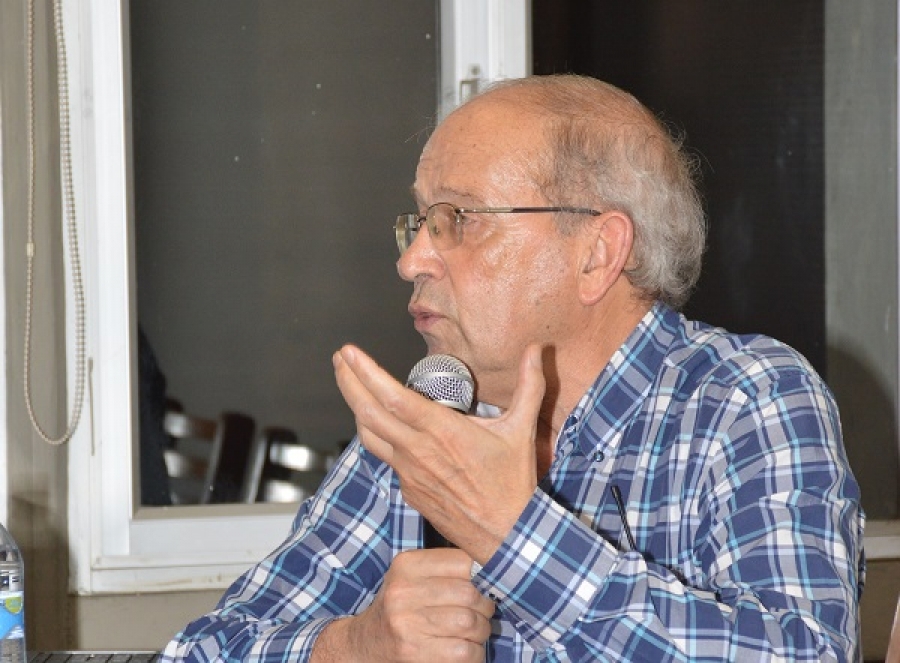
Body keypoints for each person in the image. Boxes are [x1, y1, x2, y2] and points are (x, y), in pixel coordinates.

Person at [161, 74, 865, 662]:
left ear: (596, 253)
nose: (412, 260)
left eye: (459, 220)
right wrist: (352, 645)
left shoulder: (747, 398)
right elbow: (201, 652)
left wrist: (510, 531)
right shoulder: (432, 423)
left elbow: (802, 654)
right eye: (419, 222)